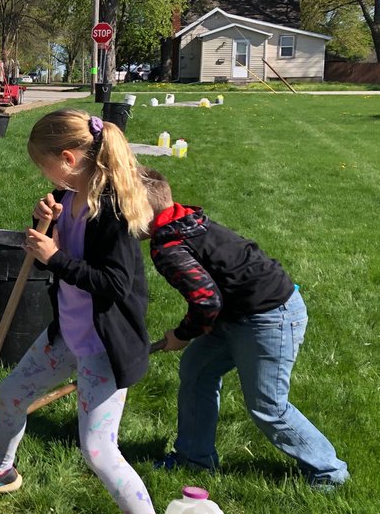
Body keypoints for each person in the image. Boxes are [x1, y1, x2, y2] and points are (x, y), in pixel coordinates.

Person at [0, 109, 164, 514]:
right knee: (12, 393)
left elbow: (114, 284)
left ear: (69, 158)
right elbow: (53, 239)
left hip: (102, 349)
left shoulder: (111, 214)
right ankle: (1, 473)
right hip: (67, 336)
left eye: (45, 165)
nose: (43, 174)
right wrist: (43, 218)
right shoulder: (68, 197)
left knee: (98, 451)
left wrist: (55, 259)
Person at [142, 168, 349, 489]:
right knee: (197, 369)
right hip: (235, 313)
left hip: (270, 316)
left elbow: (206, 300)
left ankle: (330, 472)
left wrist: (182, 335)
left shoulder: (169, 247)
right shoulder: (184, 220)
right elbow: (214, 289)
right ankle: (194, 458)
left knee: (268, 406)